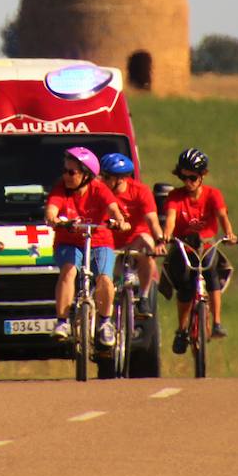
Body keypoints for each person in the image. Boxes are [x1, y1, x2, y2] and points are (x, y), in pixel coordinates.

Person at [45, 147, 129, 347]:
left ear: (86, 175)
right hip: (68, 241)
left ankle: (105, 323)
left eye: (71, 172)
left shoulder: (99, 189)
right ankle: (62, 322)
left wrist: (119, 221)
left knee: (104, 279)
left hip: (100, 240)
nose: (66, 176)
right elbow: (51, 210)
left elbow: (113, 209)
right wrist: (55, 220)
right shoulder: (61, 189)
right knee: (68, 271)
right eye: (65, 170)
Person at [160, 147, 238, 350]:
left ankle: (217, 323)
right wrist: (167, 235)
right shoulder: (175, 197)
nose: (188, 182)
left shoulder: (213, 195)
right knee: (185, 284)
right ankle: (182, 329)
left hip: (207, 243)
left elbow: (222, 217)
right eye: (183, 177)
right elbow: (171, 219)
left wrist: (229, 234)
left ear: (203, 175)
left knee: (212, 275)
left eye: (193, 177)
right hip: (184, 245)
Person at [99, 152, 163, 317]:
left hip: (135, 241)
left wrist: (160, 241)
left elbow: (152, 220)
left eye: (107, 177)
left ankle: (143, 297)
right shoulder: (99, 191)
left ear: (120, 179)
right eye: (102, 175)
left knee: (147, 243)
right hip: (109, 244)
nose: (102, 180)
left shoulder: (140, 191)